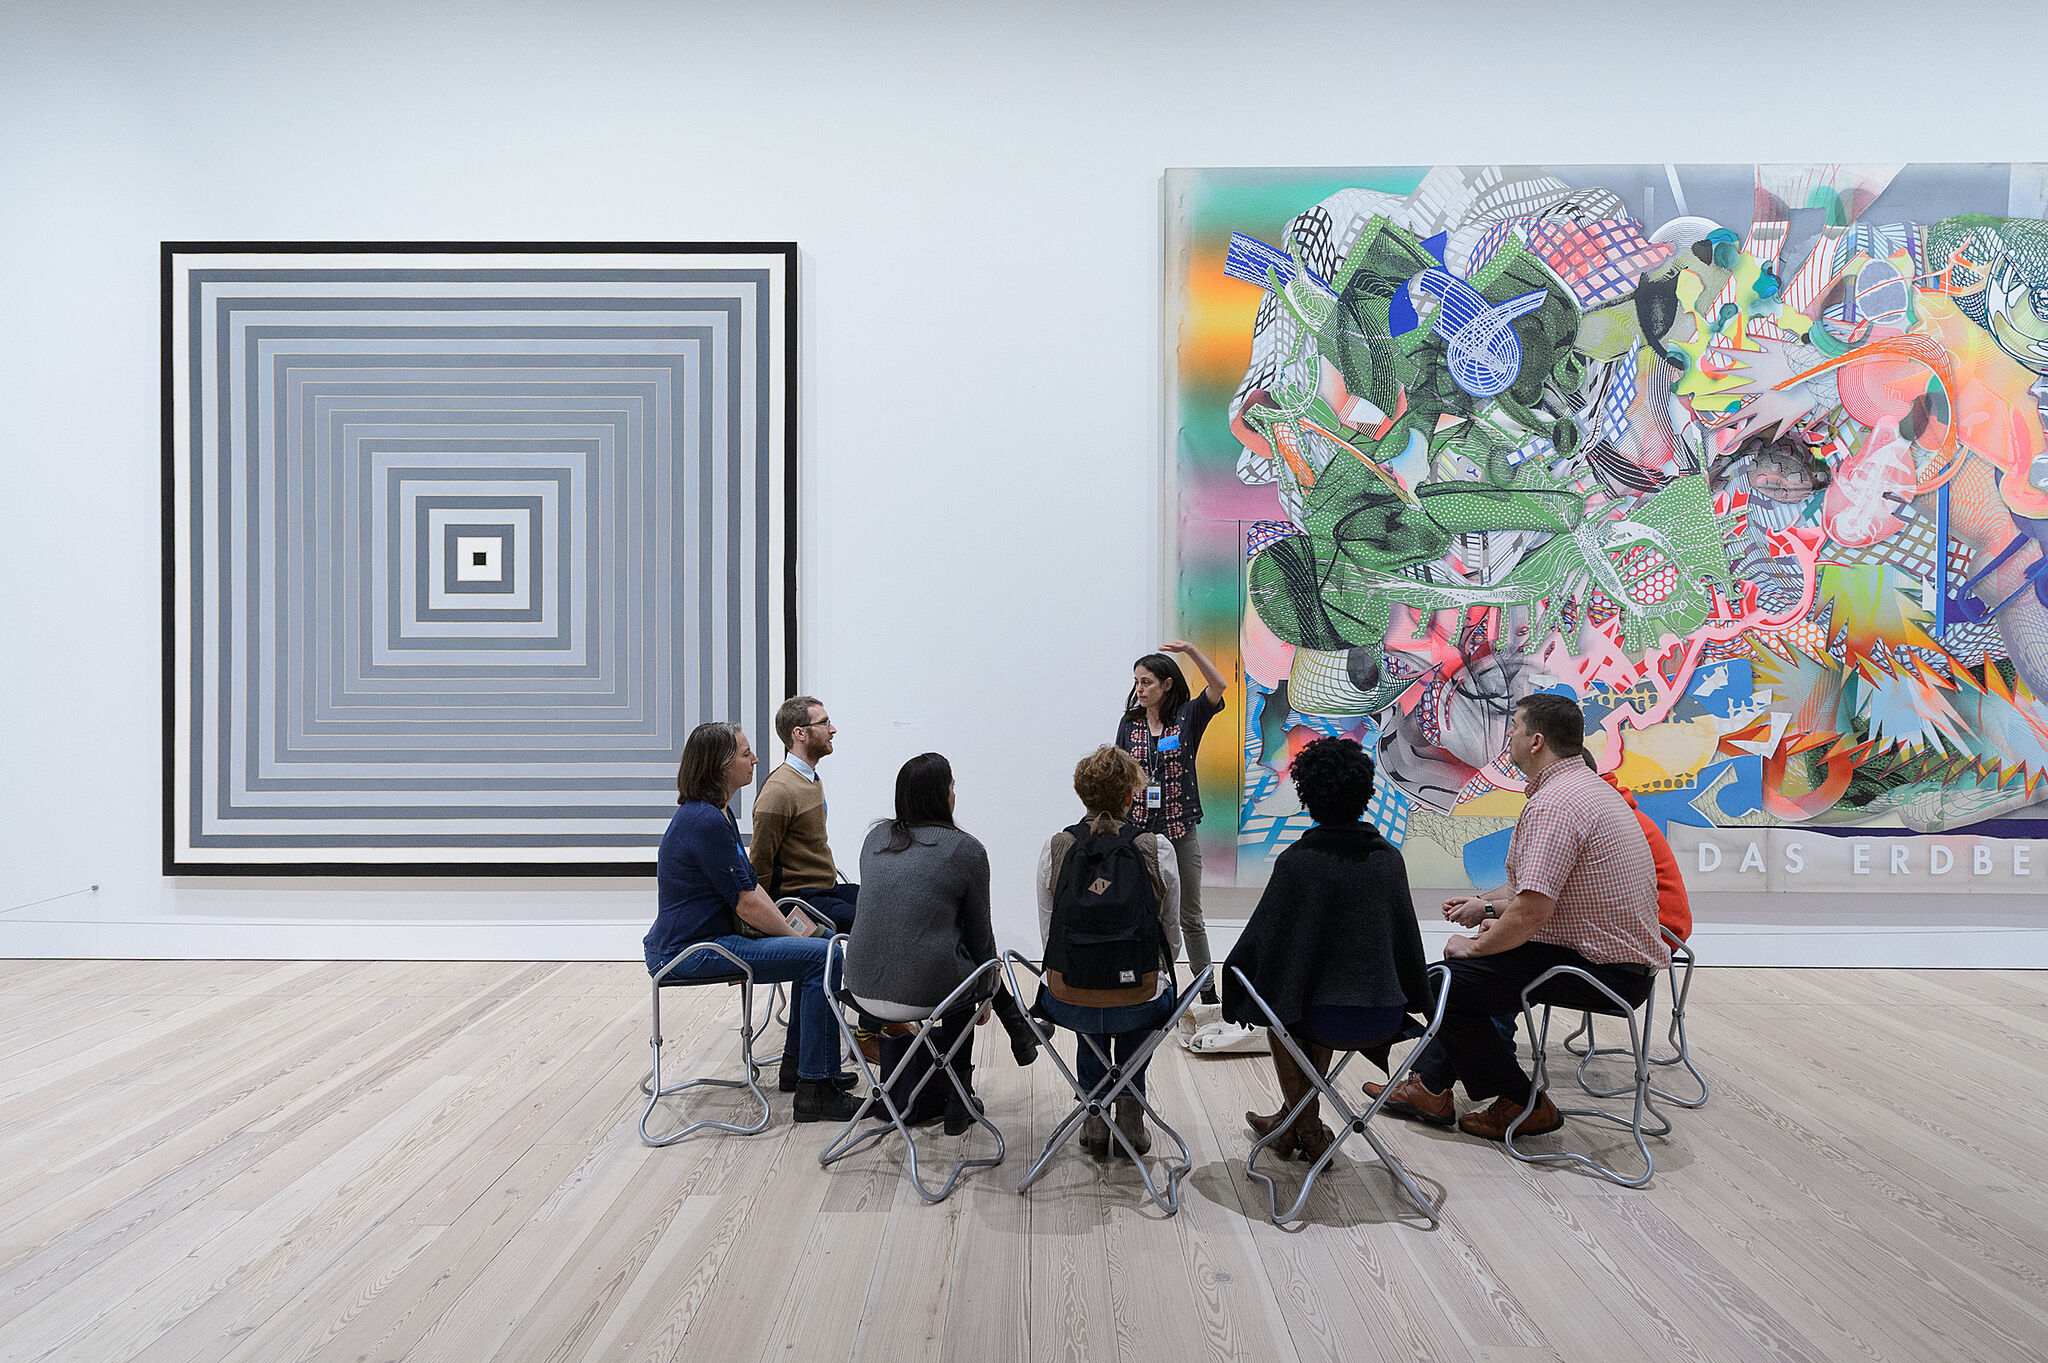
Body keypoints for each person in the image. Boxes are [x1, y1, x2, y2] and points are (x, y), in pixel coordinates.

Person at [1366, 694, 1669, 1139]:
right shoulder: (1585, 790)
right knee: (1464, 976)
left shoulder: (1556, 804)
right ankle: (1432, 1088)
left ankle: (1522, 1102)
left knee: (1442, 982)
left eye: (1515, 728)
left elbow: (1532, 909)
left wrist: (1476, 945)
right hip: (1614, 964)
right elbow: (1532, 891)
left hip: (1601, 971)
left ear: (1536, 741)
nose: (1508, 736)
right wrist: (1489, 916)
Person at [1220, 736, 1433, 1162]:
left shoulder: (1298, 863)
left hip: (1320, 1018)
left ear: (1305, 796)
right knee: (1307, 995)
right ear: (1367, 793)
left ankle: (1307, 1125)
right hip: (1383, 1015)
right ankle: (1290, 1119)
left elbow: (1262, 952)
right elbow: (1407, 947)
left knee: (1283, 1007)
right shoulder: (1389, 860)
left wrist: (1232, 980)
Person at [643, 721, 859, 1125]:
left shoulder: (713, 815)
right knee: (822, 957)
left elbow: (752, 888)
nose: (755, 759)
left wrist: (799, 933)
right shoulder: (705, 821)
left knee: (822, 946)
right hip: (691, 952)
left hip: (706, 941)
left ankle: (801, 1069)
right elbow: (746, 905)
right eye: (745, 754)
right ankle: (816, 1089)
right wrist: (796, 936)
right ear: (720, 766)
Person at [844, 753, 1027, 1135]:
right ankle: (960, 1098)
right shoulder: (965, 849)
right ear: (943, 796)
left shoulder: (875, 838)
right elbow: (981, 938)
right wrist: (989, 991)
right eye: (952, 786)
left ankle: (1018, 1028)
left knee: (945, 948)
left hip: (859, 989)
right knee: (966, 969)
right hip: (924, 993)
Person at [1035, 746, 1183, 1157]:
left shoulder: (1057, 847)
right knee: (1144, 992)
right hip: (1140, 999)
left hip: (1069, 1001)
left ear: (1082, 794)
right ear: (1129, 796)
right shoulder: (1157, 848)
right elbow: (1171, 935)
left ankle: (1094, 1111)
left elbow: (1050, 936)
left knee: (1086, 991)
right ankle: (1131, 1110)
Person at [1115, 641, 1227, 1004]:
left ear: (1167, 684)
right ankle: (1155, 988)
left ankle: (1207, 993)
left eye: (1147, 682)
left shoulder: (1188, 716)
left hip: (1180, 829)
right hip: (1139, 833)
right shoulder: (1129, 724)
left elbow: (1219, 687)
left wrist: (1192, 650)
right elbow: (1118, 776)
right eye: (1136, 682)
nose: (1139, 690)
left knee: (1190, 914)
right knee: (1144, 912)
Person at [748, 695, 858, 931]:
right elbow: (760, 863)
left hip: (826, 890)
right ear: (800, 733)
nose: (833, 729)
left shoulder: (810, 779)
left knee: (891, 904)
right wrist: (770, 922)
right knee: (881, 919)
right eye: (824, 723)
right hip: (799, 900)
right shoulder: (779, 790)